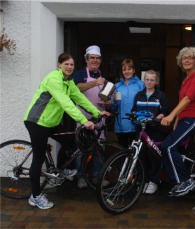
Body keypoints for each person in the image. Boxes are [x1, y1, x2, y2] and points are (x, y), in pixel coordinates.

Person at [24, 53, 109, 209]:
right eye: (66, 64)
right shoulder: (54, 79)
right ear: (59, 65)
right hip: (37, 122)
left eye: (72, 64)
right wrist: (84, 121)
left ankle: (62, 170)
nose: (69, 67)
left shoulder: (68, 82)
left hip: (52, 122)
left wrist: (97, 113)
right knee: (38, 157)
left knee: (72, 141)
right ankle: (35, 196)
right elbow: (66, 103)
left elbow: (79, 99)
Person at [160, 47, 195, 197]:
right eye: (184, 58)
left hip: (194, 118)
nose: (186, 60)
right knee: (170, 148)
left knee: (168, 146)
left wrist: (171, 116)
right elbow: (182, 101)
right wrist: (177, 120)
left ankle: (185, 181)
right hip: (184, 119)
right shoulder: (186, 79)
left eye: (190, 58)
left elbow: (187, 100)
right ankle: (181, 179)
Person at [73, 45, 107, 188]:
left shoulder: (102, 77)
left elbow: (106, 96)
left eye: (97, 58)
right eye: (92, 58)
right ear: (86, 60)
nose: (95, 60)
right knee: (82, 149)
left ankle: (97, 176)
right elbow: (76, 88)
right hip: (84, 118)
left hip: (99, 117)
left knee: (99, 148)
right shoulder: (80, 73)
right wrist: (94, 83)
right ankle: (81, 177)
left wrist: (108, 102)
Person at [132, 70, 170, 194]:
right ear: (144, 80)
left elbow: (165, 111)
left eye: (152, 80)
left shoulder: (161, 95)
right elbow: (134, 110)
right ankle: (144, 180)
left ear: (156, 81)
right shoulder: (139, 95)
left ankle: (154, 181)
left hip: (155, 131)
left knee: (153, 156)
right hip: (141, 130)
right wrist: (134, 116)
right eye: (147, 79)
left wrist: (154, 119)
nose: (149, 82)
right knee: (141, 156)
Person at [113, 58, 145, 148]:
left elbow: (145, 102)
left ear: (133, 70)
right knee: (122, 151)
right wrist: (114, 101)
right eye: (124, 69)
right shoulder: (117, 86)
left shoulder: (141, 84)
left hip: (136, 124)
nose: (127, 72)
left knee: (135, 151)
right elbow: (113, 107)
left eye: (129, 69)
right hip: (121, 124)